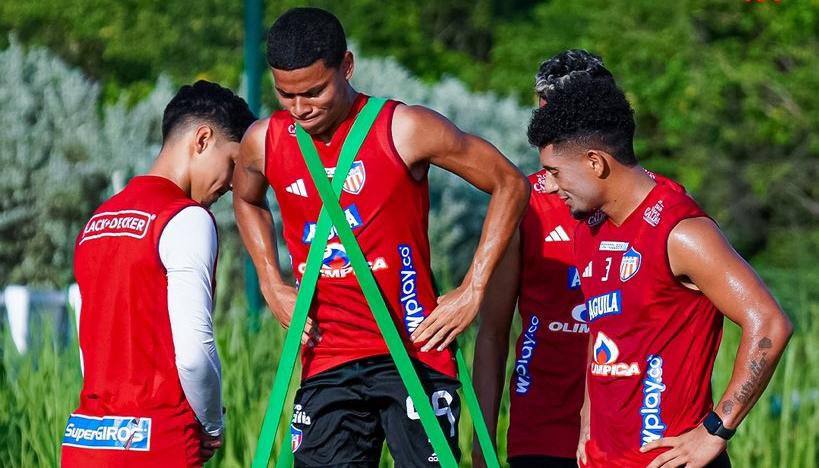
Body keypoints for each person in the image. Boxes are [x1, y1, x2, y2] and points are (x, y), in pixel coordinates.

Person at [233, 7, 529, 467]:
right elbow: (247, 199)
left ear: (346, 67)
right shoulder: (265, 141)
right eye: (285, 95)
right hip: (326, 359)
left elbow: (509, 182)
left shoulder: (404, 128)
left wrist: (472, 289)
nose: (300, 109)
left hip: (415, 352)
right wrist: (272, 282)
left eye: (314, 91)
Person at [526, 51, 793, 467]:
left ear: (595, 162)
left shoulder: (681, 230)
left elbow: (770, 323)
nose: (551, 186)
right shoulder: (588, 230)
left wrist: (715, 430)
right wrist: (587, 424)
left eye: (556, 172)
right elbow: (604, 334)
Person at [473, 50, 683, 468]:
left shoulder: (655, 204)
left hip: (633, 427)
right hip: (542, 428)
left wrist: (712, 427)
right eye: (547, 113)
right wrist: (482, 446)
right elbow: (493, 332)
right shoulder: (524, 203)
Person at [61, 81, 255, 467]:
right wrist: (212, 425)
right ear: (202, 140)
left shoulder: (97, 221)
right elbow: (194, 353)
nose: (234, 183)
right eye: (233, 162)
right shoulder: (186, 218)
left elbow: (90, 351)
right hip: (156, 442)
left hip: (85, 442)